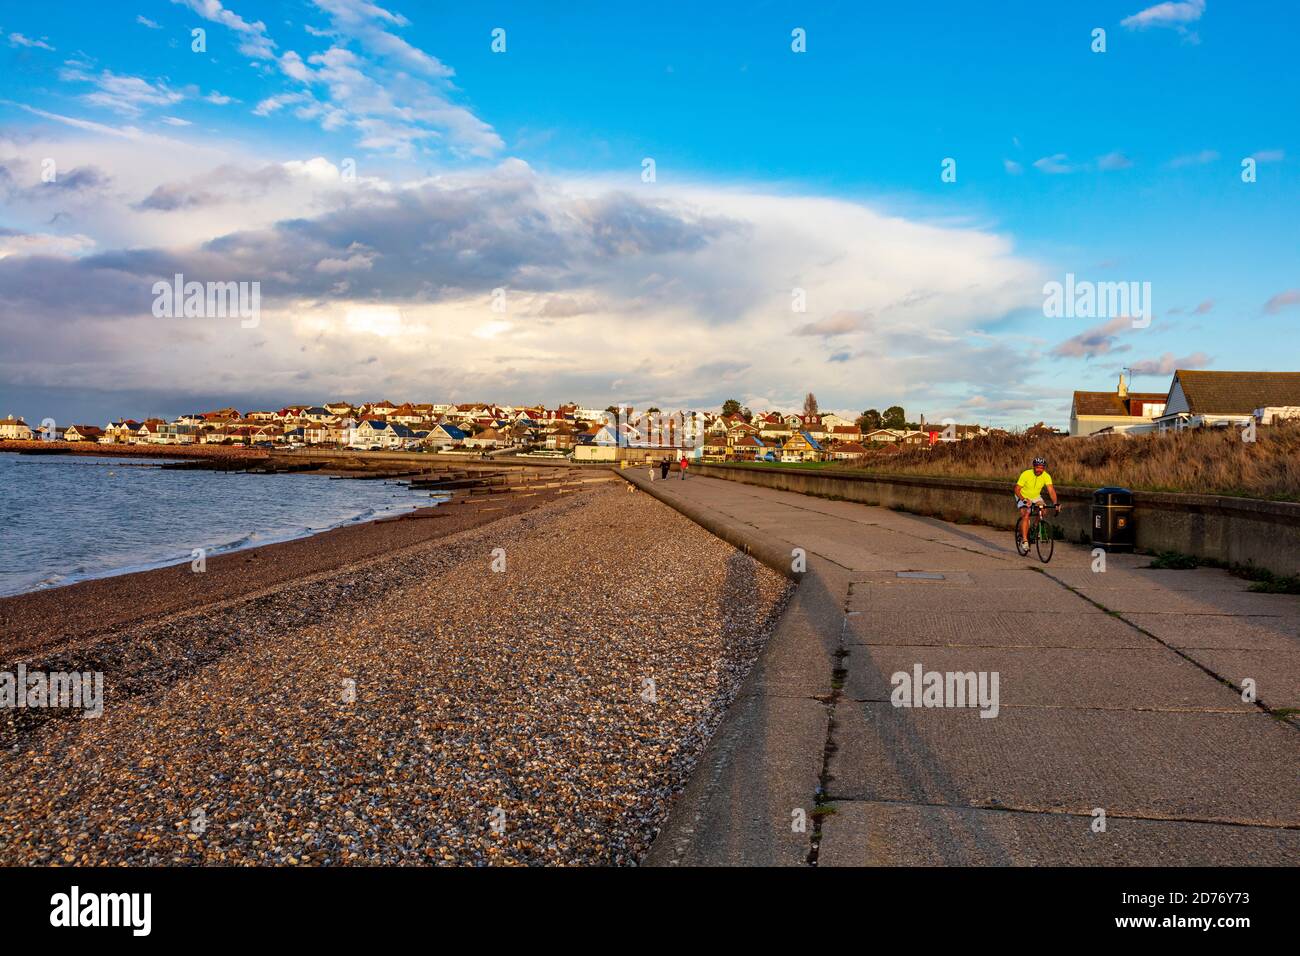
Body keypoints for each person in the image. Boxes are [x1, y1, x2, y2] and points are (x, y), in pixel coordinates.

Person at [1014, 456, 1059, 551]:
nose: (1039, 469)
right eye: (1037, 467)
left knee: (1043, 510)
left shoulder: (1046, 476)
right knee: (1026, 514)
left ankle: (1034, 527)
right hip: (1022, 495)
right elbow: (1017, 489)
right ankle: (1025, 541)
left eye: (1042, 468)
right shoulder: (1026, 474)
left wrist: (1055, 503)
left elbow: (1051, 491)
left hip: (1035, 496)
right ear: (1034, 467)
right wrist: (1024, 499)